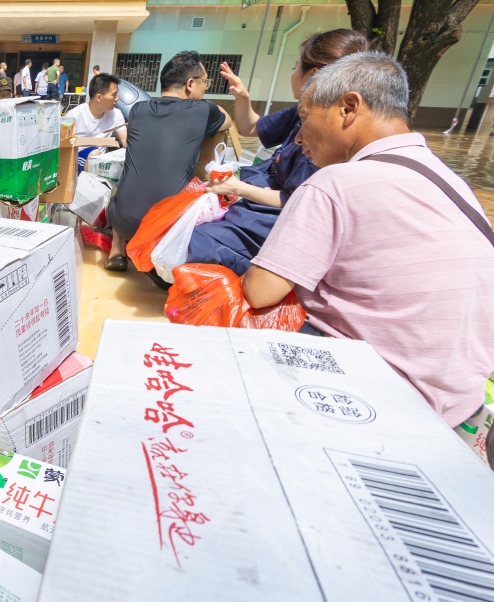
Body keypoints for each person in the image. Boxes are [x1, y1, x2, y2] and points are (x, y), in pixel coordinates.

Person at [242, 52, 494, 427]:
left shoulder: (333, 184)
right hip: (458, 396)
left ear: (348, 107)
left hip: (379, 395)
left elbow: (259, 292)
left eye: (306, 117)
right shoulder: (451, 180)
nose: (298, 136)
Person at [186, 29, 370, 275]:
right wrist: (243, 97)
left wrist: (238, 188)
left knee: (187, 247)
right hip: (253, 204)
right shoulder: (300, 113)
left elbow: (299, 200)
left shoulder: (326, 138)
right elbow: (251, 127)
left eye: (295, 66)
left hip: (270, 222)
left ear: (313, 76)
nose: (301, 137)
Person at [105, 51, 229, 273]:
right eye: (205, 82)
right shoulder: (202, 110)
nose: (206, 88)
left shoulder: (138, 110)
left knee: (118, 185)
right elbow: (227, 120)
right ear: (190, 84)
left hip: (125, 222)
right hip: (167, 230)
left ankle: (116, 249)